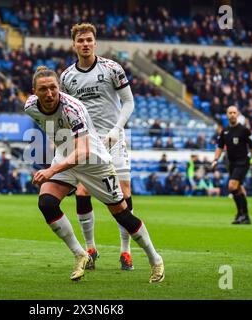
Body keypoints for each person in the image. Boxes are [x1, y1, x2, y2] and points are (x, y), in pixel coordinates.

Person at [24, 66, 164, 282]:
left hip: (94, 162)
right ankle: (81, 254)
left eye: (53, 88)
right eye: (43, 89)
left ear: (59, 87)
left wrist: (51, 169)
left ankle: (155, 260)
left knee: (122, 214)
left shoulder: (73, 108)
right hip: (66, 157)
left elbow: (84, 151)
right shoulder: (30, 107)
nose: (49, 93)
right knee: (47, 203)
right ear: (34, 91)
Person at [60, 23, 137, 270]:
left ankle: (126, 251)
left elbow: (128, 102)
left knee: (123, 193)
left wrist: (116, 129)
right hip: (86, 142)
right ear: (74, 44)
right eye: (80, 40)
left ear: (95, 42)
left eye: (89, 40)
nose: (85, 44)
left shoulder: (112, 69)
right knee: (83, 192)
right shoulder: (67, 77)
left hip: (114, 139)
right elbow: (65, 112)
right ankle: (90, 249)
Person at [212, 106, 252, 224]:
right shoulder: (225, 131)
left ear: (237, 114)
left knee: (232, 186)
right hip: (231, 163)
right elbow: (220, 147)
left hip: (243, 162)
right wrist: (215, 159)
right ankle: (243, 215)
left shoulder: (244, 130)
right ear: (227, 115)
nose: (233, 114)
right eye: (230, 113)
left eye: (234, 112)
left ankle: (242, 214)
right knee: (238, 188)